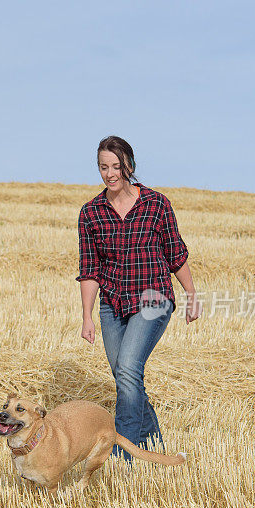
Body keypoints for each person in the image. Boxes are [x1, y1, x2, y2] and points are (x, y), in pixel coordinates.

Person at [76, 135, 200, 462]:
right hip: (112, 303)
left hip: (153, 299)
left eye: (116, 166)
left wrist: (191, 295)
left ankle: (122, 457)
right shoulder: (91, 213)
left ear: (129, 165)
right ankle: (154, 445)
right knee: (125, 377)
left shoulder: (156, 204)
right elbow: (89, 269)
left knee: (129, 368)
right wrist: (87, 316)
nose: (110, 173)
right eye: (104, 167)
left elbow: (176, 253)